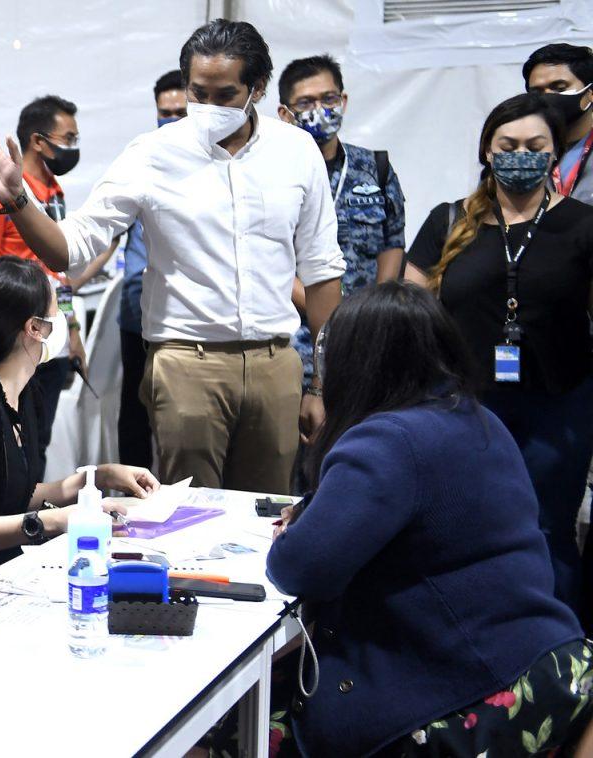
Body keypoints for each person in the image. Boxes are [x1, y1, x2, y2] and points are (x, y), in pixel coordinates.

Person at [0, 18, 344, 493]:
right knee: (186, 522)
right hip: (187, 364)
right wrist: (18, 199)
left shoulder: (296, 152)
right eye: (197, 93)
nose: (207, 108)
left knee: (264, 519)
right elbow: (70, 248)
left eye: (224, 95)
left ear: (258, 88)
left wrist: (322, 386)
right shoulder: (152, 154)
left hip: (276, 365)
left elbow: (322, 273)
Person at [266, 282, 592, 757]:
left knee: (236, 724)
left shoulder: (384, 440)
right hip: (554, 671)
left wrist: (293, 531)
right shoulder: (477, 421)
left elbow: (298, 568)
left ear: (359, 363)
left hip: (467, 702)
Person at [404, 93, 593, 615]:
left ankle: (554, 656)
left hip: (559, 406)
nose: (521, 155)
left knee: (548, 528)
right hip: (464, 406)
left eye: (536, 146)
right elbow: (411, 310)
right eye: (508, 145)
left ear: (556, 153)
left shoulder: (582, 224)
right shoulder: (449, 221)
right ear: (487, 151)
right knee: (463, 526)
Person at [0, 257, 158, 616]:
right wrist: (56, 521)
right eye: (56, 314)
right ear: (34, 328)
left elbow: (6, 493)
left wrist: (98, 477)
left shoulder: (24, 392)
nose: (64, 322)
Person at [0, 95, 91, 478]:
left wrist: (72, 332)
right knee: (12, 445)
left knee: (39, 442)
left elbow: (61, 273)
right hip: (18, 343)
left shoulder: (55, 193)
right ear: (39, 141)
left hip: (52, 340)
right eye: (67, 138)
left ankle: (33, 526)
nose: (73, 147)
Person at [277, 54, 405, 389]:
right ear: (285, 114)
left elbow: (392, 240)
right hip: (296, 341)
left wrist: (376, 303)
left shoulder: (374, 166)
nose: (320, 108)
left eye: (328, 98)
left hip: (368, 336)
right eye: (306, 102)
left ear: (343, 101)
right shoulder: (271, 175)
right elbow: (263, 254)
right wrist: (330, 310)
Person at [116, 69, 187, 469]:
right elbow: (104, 240)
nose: (171, 120)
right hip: (136, 312)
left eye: (180, 112)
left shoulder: (213, 166)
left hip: (185, 316)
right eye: (165, 112)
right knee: (135, 406)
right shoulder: (141, 161)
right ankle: (133, 490)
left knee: (181, 410)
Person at [524, 43, 593, 205]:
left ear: (590, 93)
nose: (548, 97)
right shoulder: (518, 152)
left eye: (559, 87)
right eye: (537, 92)